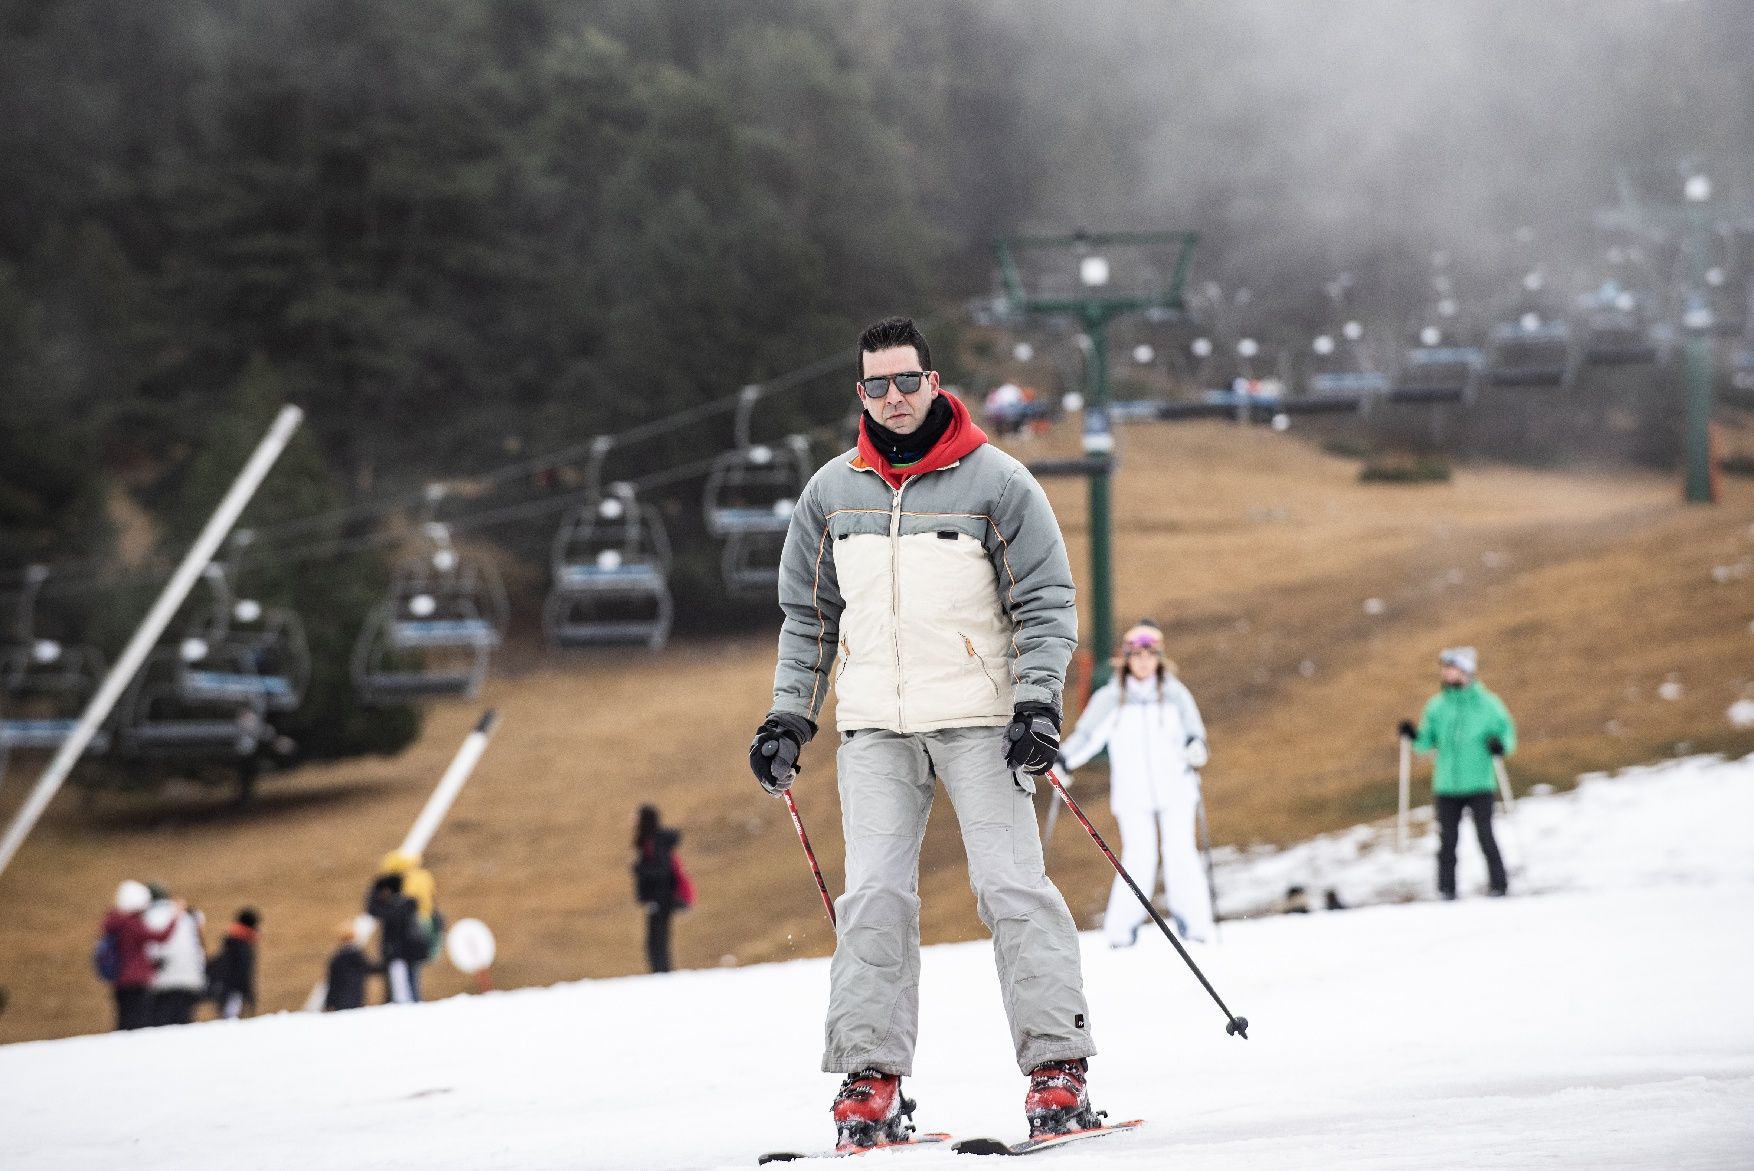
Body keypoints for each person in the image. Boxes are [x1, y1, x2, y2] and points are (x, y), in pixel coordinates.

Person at [749, 316, 1098, 1152]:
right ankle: (871, 1078)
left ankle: (1059, 1068)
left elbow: (1046, 603)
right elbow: (809, 618)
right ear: (859, 393)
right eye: (878, 384)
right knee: (872, 896)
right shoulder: (832, 493)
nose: (895, 397)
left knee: (1010, 888)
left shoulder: (999, 482)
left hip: (982, 722)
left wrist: (1038, 703)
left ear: (935, 382)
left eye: (909, 381)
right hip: (875, 726)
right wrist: (788, 714)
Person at [1058, 621, 1215, 945]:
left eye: (1150, 654)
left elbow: (1193, 732)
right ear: (1126, 657)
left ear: (1159, 657)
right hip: (1133, 793)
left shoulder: (1174, 694)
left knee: (1180, 853)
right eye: (1137, 654)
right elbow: (1088, 735)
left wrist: (1195, 748)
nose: (1143, 661)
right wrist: (1064, 761)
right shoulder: (1112, 698)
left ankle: (1197, 927)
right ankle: (1121, 932)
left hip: (1175, 789)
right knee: (1139, 857)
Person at [1399, 646, 1516, 900]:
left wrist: (1500, 745)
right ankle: (1446, 889)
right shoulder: (1437, 706)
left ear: (1465, 670)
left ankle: (1499, 885)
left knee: (1485, 835)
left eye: (1451, 668)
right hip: (1447, 785)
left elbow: (1507, 733)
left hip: (1479, 782)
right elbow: (1425, 743)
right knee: (1447, 841)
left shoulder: (1487, 704)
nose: (1446, 673)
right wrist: (1413, 736)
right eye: (1445, 669)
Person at [98, 880, 179, 1031]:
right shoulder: (132, 924)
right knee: (139, 1020)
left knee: (125, 1017)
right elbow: (161, 936)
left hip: (120, 978)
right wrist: (175, 918)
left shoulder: (115, 922)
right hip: (136, 978)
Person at [632, 805, 693, 974]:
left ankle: (661, 974)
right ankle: (661, 973)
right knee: (658, 939)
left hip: (661, 898)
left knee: (656, 940)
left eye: (637, 816)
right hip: (659, 898)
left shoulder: (655, 842)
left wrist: (639, 868)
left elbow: (661, 870)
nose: (633, 819)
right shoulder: (651, 840)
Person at [143, 883, 208, 1026]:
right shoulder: (184, 915)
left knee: (162, 1028)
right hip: (190, 979)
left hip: (162, 981)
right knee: (183, 1025)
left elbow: (150, 950)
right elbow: (198, 948)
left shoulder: (147, 917)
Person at [365, 873, 425, 1003]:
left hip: (400, 953)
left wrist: (376, 890)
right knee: (408, 988)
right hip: (406, 953)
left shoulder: (399, 906)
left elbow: (372, 908)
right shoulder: (406, 904)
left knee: (402, 990)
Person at [207, 907, 261, 1019]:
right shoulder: (242, 945)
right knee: (231, 1023)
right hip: (234, 993)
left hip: (226, 991)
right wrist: (249, 995)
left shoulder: (232, 942)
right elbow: (243, 972)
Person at [323, 915, 378, 1012]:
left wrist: (329, 1003)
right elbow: (371, 968)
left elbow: (332, 982)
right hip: (356, 998)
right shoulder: (358, 956)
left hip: (340, 1001)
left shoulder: (336, 959)